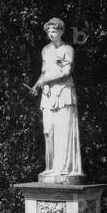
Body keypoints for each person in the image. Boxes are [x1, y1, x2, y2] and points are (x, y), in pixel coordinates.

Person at [31, 17, 82, 178]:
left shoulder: (67, 49)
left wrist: (45, 80)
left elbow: (65, 72)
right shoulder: (45, 50)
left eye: (54, 31)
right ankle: (51, 167)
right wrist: (37, 85)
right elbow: (44, 72)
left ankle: (63, 168)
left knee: (63, 131)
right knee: (48, 131)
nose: (51, 34)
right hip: (48, 94)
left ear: (61, 32)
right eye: (49, 31)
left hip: (64, 93)